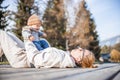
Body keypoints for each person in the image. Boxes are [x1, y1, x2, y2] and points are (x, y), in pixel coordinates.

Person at [0, 30, 95, 68]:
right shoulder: (65, 57)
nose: (79, 48)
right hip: (26, 55)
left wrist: (28, 40)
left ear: (79, 59)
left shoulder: (61, 58)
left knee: (1, 34)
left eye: (81, 51)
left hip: (22, 59)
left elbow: (35, 58)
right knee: (8, 34)